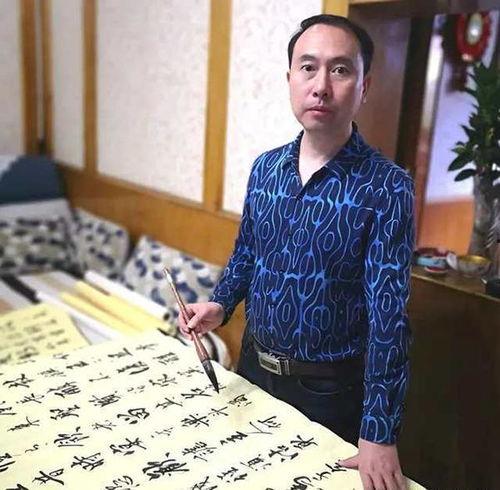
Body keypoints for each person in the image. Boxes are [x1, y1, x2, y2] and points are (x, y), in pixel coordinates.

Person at [179, 14, 414, 490]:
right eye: (308, 68)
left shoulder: (388, 187)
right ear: (290, 78)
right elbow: (248, 253)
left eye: (340, 70)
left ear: (364, 86)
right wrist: (219, 306)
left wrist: (379, 432)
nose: (321, 86)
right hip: (251, 369)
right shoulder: (266, 169)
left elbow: (388, 318)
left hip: (330, 391)